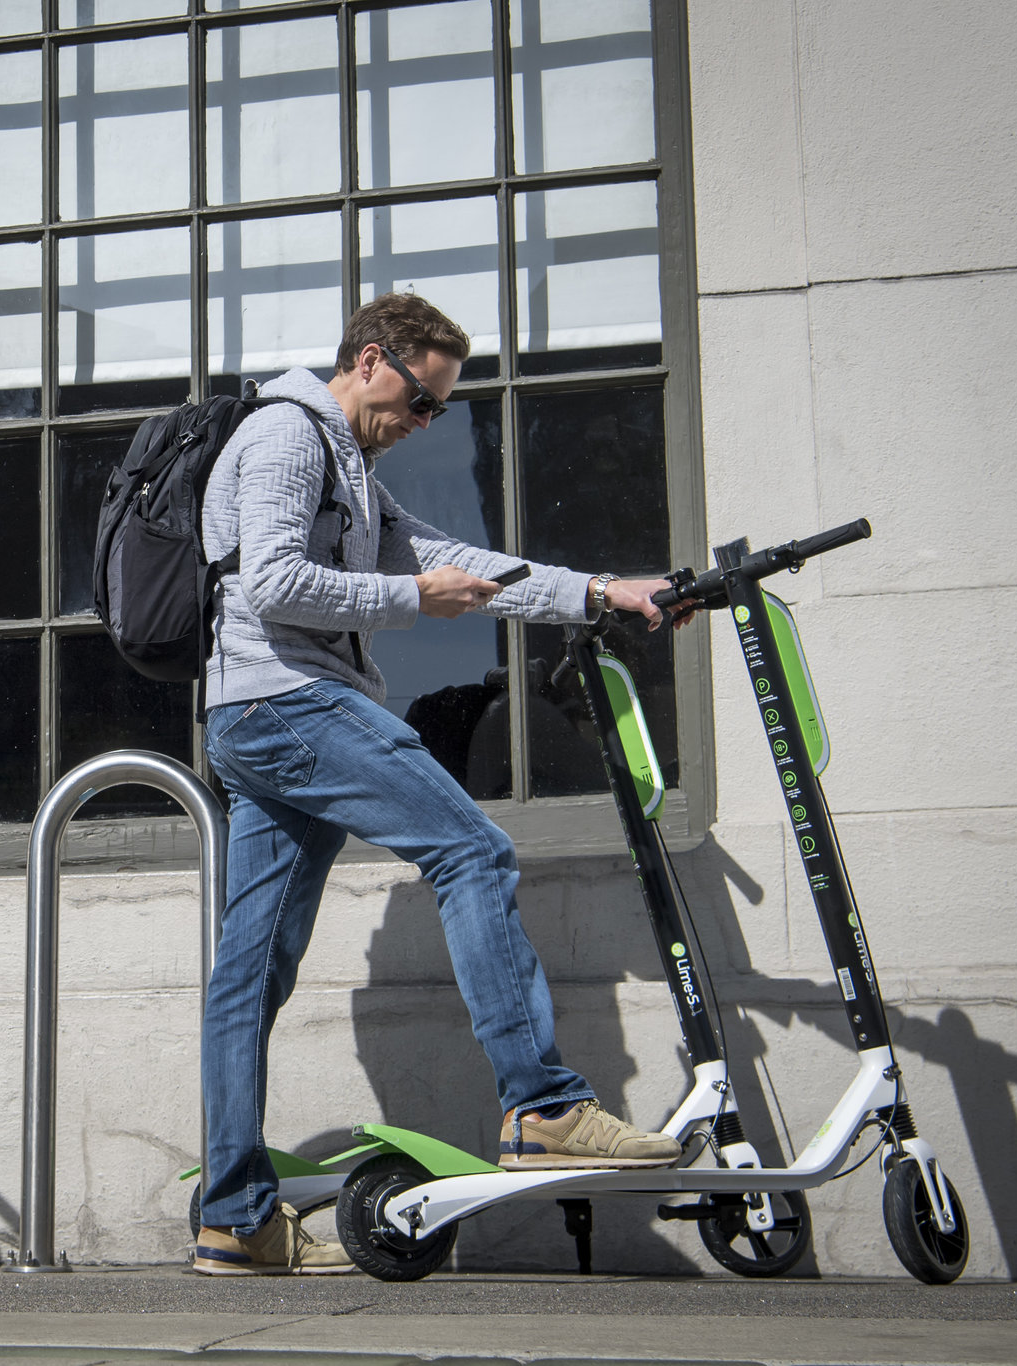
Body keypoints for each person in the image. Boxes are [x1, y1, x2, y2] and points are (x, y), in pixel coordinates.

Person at [190, 293, 685, 1277]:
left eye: (438, 412)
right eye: (421, 401)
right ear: (371, 361)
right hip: (288, 701)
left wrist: (596, 591)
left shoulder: (347, 466)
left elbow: (453, 558)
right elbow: (275, 585)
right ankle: (541, 1105)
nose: (425, 424)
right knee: (470, 847)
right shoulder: (289, 438)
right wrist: (410, 601)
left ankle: (234, 1219)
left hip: (252, 718)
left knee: (246, 977)